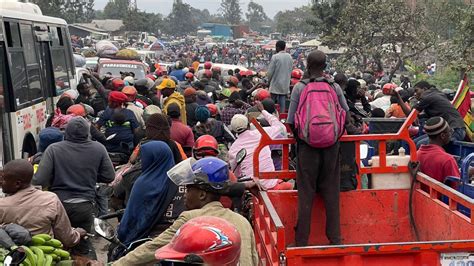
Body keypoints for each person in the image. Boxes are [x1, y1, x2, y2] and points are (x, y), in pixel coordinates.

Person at [112, 157, 259, 266]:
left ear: (202, 195)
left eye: (188, 189)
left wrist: (115, 265)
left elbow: (153, 249)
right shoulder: (242, 221)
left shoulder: (191, 219)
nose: (184, 195)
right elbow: (254, 259)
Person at [287, 50, 349, 246]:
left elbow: (290, 121)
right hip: (332, 146)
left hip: (307, 148)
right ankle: (335, 239)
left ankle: (302, 241)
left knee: (306, 194)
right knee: (331, 192)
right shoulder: (334, 87)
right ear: (325, 66)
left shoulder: (300, 88)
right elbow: (345, 115)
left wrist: (302, 139)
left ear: (307, 65)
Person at [34, 117, 115, 258]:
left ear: (66, 132)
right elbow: (109, 176)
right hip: (84, 206)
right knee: (83, 246)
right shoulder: (98, 148)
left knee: (56, 247)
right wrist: (90, 175)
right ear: (88, 132)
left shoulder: (54, 149)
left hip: (58, 205)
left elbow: (40, 179)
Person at [0, 159, 86, 248]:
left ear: (17, 183)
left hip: (10, 256)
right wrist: (78, 233)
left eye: (4, 179)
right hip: (47, 255)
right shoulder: (50, 199)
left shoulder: (2, 205)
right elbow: (67, 239)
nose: (1, 182)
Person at [117, 141, 177, 246]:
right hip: (174, 235)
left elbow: (132, 217)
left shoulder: (143, 183)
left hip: (144, 238)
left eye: (144, 157)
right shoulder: (180, 181)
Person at [228, 101, 290, 190]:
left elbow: (236, 173)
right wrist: (263, 111)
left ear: (234, 131)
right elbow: (280, 127)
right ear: (248, 125)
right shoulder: (261, 134)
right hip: (270, 184)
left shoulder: (233, 149)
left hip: (251, 186)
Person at [394, 81, 465, 147]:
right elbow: (416, 118)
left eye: (416, 90)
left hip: (454, 130)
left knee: (420, 145)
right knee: (413, 143)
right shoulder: (436, 94)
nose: (415, 94)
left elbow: (411, 116)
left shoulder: (428, 96)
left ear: (424, 89)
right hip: (447, 130)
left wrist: (398, 98)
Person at [417, 117, 460, 184]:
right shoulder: (447, 160)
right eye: (450, 131)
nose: (451, 133)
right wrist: (466, 174)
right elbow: (456, 186)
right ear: (442, 135)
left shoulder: (417, 154)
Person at [266, 40, 293, 113]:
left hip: (275, 83)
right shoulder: (289, 57)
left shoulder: (275, 57)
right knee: (282, 101)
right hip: (285, 84)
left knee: (272, 102)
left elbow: (270, 72)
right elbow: (291, 70)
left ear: (277, 47)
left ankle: (271, 115)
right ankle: (282, 116)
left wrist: (268, 81)